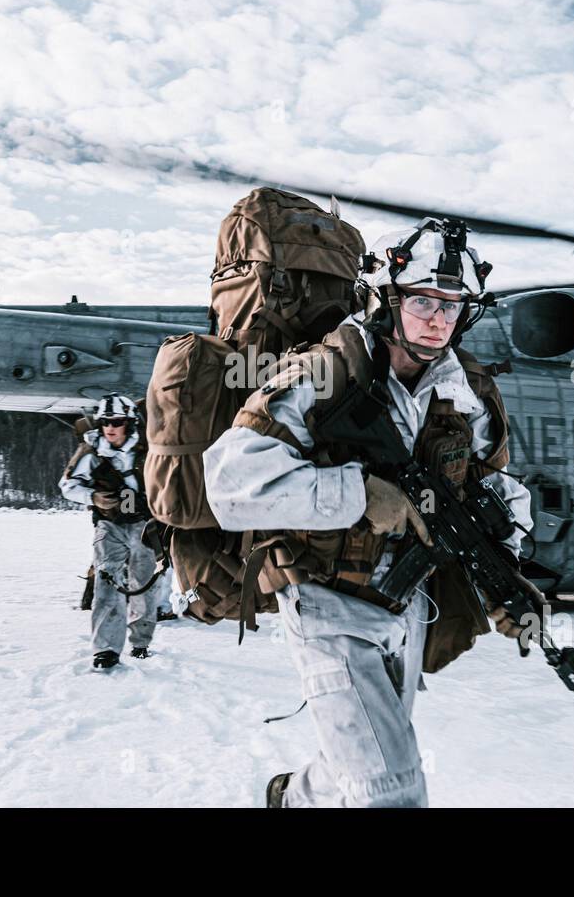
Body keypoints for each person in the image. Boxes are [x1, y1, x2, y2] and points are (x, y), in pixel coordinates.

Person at [202, 219, 536, 807]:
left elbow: (497, 494)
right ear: (387, 299)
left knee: (355, 763)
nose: (438, 319)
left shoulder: (467, 395)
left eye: (453, 306)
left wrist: (506, 577)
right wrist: (357, 493)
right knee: (390, 786)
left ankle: (292, 799)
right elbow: (230, 484)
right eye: (424, 301)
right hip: (327, 602)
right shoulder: (318, 376)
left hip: (407, 605)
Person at [60, 394, 158, 670]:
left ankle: (140, 642)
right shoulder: (91, 451)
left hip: (144, 524)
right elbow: (67, 486)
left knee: (145, 586)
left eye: (116, 422)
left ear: (128, 423)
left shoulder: (148, 448)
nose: (110, 428)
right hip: (110, 525)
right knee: (107, 585)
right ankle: (106, 650)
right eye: (105, 422)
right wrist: (94, 497)